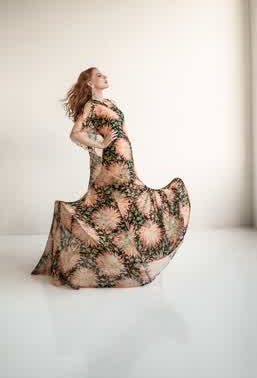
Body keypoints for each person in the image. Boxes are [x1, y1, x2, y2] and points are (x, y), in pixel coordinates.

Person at [30, 67, 191, 288]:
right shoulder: (91, 106)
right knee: (121, 207)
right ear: (89, 83)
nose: (105, 77)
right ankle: (112, 259)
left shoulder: (111, 104)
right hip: (113, 162)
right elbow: (75, 133)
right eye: (99, 75)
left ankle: (127, 259)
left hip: (126, 161)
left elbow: (124, 133)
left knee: (122, 206)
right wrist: (103, 144)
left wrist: (132, 165)